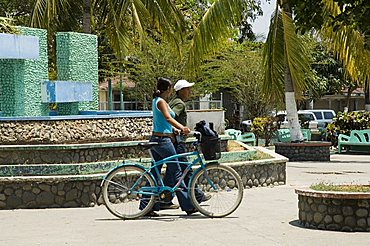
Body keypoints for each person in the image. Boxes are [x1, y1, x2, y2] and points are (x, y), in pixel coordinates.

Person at [139, 77, 197, 217]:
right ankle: (188, 206)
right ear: (169, 89)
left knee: (154, 173)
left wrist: (173, 130)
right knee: (177, 171)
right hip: (163, 141)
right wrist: (182, 127)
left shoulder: (157, 101)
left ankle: (146, 207)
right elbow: (168, 118)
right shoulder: (161, 102)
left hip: (159, 138)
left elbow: (163, 122)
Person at [168, 80, 210, 204]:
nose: (189, 92)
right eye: (187, 89)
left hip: (174, 140)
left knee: (172, 172)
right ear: (180, 91)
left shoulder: (173, 101)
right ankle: (197, 195)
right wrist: (180, 129)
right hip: (177, 141)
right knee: (186, 169)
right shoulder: (179, 104)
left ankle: (164, 200)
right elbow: (170, 118)